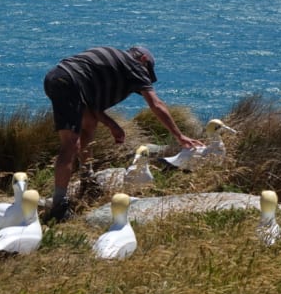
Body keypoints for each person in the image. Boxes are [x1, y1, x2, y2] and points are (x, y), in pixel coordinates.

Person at [43, 45, 204, 222]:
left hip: (56, 78)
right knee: (70, 145)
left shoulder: (113, 58)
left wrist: (112, 125)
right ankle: (59, 206)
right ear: (143, 60)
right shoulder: (134, 65)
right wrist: (179, 136)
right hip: (68, 83)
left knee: (89, 125)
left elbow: (90, 107)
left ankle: (87, 178)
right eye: (147, 70)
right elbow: (156, 104)